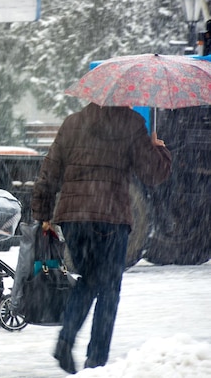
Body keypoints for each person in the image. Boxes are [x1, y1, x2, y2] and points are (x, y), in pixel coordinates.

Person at [31, 102, 171, 374]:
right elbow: (152, 174)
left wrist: (43, 213)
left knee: (88, 281)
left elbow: (49, 172)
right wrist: (159, 148)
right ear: (124, 99)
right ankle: (96, 362)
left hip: (74, 219)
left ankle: (65, 339)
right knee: (109, 290)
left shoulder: (73, 122)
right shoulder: (131, 124)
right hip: (110, 219)